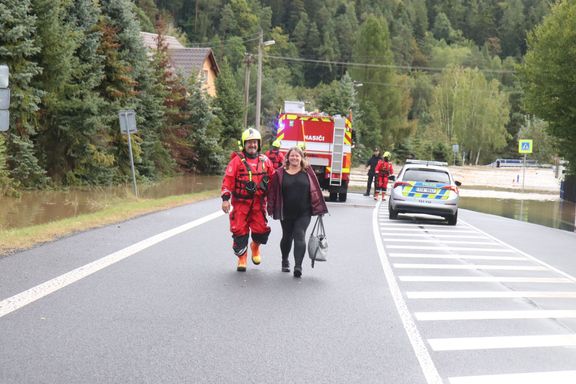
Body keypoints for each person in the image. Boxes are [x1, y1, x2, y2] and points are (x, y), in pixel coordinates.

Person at [267, 146, 328, 278]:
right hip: (286, 212)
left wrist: (320, 208)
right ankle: (285, 260)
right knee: (287, 236)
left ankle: (298, 266)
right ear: (287, 158)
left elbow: (316, 190)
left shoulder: (308, 172)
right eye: (292, 155)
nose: (294, 158)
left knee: (299, 235)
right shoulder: (279, 173)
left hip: (304, 212)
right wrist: (271, 207)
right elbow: (273, 192)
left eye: (297, 155)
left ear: (301, 158)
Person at [221, 128, 275, 272]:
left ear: (259, 144)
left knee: (261, 230)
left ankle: (255, 247)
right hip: (240, 204)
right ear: (244, 144)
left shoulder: (265, 161)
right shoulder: (236, 161)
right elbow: (227, 181)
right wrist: (225, 199)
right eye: (249, 143)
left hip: (259, 203)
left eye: (255, 143)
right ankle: (242, 258)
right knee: (239, 230)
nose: (252, 145)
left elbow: (274, 179)